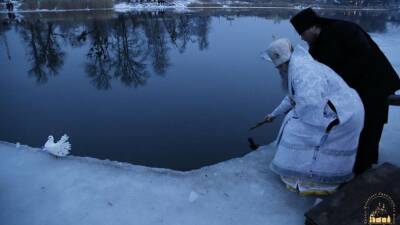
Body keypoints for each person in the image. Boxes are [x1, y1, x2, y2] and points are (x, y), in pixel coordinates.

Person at [290, 8, 400, 175]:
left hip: (376, 82)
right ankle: (360, 161)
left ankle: (363, 168)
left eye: (302, 33)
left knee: (371, 122)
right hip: (355, 88)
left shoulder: (345, 29)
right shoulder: (315, 47)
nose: (302, 37)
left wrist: (341, 82)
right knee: (358, 124)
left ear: (312, 27)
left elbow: (363, 56)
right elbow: (319, 72)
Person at [260, 38, 364, 196]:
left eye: (279, 67)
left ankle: (308, 181)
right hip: (339, 108)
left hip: (343, 114)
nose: (279, 70)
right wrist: (273, 114)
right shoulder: (296, 67)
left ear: (283, 63)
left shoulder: (303, 72)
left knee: (296, 131)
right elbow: (292, 97)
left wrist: (295, 116)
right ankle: (305, 175)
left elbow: (310, 104)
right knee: (293, 125)